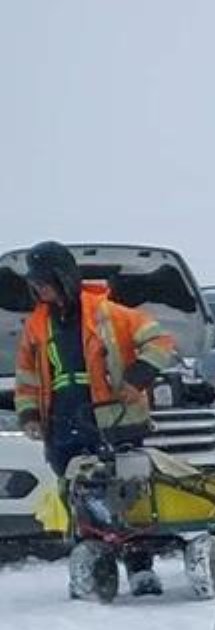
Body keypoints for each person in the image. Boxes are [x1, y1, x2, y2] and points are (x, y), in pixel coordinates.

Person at [17, 241, 184, 594]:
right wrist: (30, 414)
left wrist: (137, 377)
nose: (40, 289)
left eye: (44, 281)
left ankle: (141, 569)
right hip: (63, 425)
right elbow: (27, 376)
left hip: (115, 421)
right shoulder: (36, 327)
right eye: (36, 283)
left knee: (130, 495)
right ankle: (93, 564)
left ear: (62, 278)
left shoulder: (110, 313)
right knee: (79, 498)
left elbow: (162, 342)